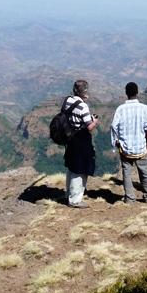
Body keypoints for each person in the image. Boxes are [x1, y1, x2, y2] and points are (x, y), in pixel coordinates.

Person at [111, 82, 147, 203]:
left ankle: (130, 198)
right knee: (144, 171)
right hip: (140, 145)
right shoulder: (144, 108)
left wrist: (116, 141)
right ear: (137, 92)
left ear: (126, 93)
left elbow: (114, 126)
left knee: (126, 172)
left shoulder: (120, 109)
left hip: (125, 147)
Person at [62, 80, 98, 208]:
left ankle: (69, 194)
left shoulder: (68, 101)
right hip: (81, 139)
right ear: (85, 91)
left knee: (72, 166)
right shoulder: (83, 106)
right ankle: (75, 200)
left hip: (70, 137)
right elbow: (89, 126)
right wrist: (95, 121)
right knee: (80, 168)